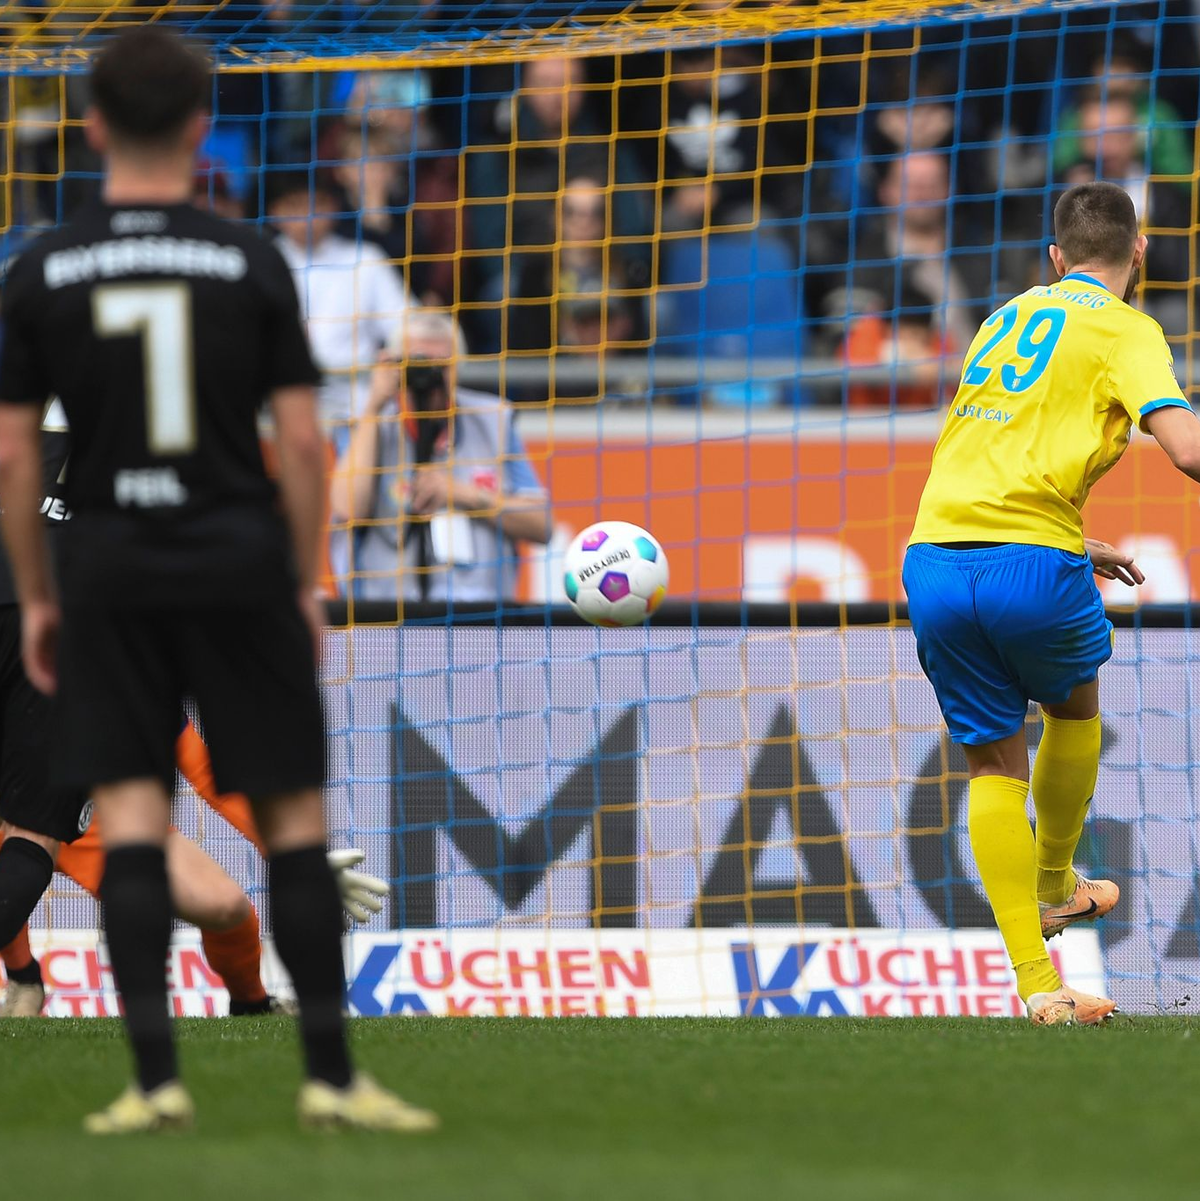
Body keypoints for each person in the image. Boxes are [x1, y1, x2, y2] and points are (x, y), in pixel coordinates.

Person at [0, 27, 434, 1133]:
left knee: (130, 818)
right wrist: (300, 581)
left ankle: (154, 1085)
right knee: (291, 826)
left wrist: (39, 598)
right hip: (228, 562)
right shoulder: (251, 261)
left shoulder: (44, 268)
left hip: (101, 572)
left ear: (92, 127)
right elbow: (297, 438)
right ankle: (332, 1078)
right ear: (202, 130)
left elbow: (15, 455)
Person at [903, 180, 1200, 1026]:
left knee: (991, 765)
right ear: (1138, 252)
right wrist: (1055, 546)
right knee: (1073, 714)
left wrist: (1073, 540)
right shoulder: (1127, 326)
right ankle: (1054, 881)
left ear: (1055, 259)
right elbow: (1183, 449)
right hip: (1030, 564)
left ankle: (1039, 987)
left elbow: (989, 460)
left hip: (932, 557)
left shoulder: (1005, 317)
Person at [0, 719, 389, 1017]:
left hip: (98, 818)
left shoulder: (126, 660)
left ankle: (251, 1006)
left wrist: (294, 859)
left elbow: (208, 772)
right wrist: (23, 972)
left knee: (226, 907)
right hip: (10, 814)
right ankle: (22, 981)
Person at [329, 310, 551, 601]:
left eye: (442, 366)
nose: (431, 377)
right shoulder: (366, 423)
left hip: (476, 619)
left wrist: (462, 494)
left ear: (459, 367)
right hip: (386, 619)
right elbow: (348, 509)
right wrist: (374, 406)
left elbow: (542, 525)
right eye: (419, 364)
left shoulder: (492, 418)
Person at [265, 168, 417, 445]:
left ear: (334, 207)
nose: (308, 217)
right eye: (295, 206)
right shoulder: (262, 262)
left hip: (360, 408)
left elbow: (407, 325)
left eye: (316, 204)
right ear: (275, 212)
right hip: (281, 409)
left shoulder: (366, 259)